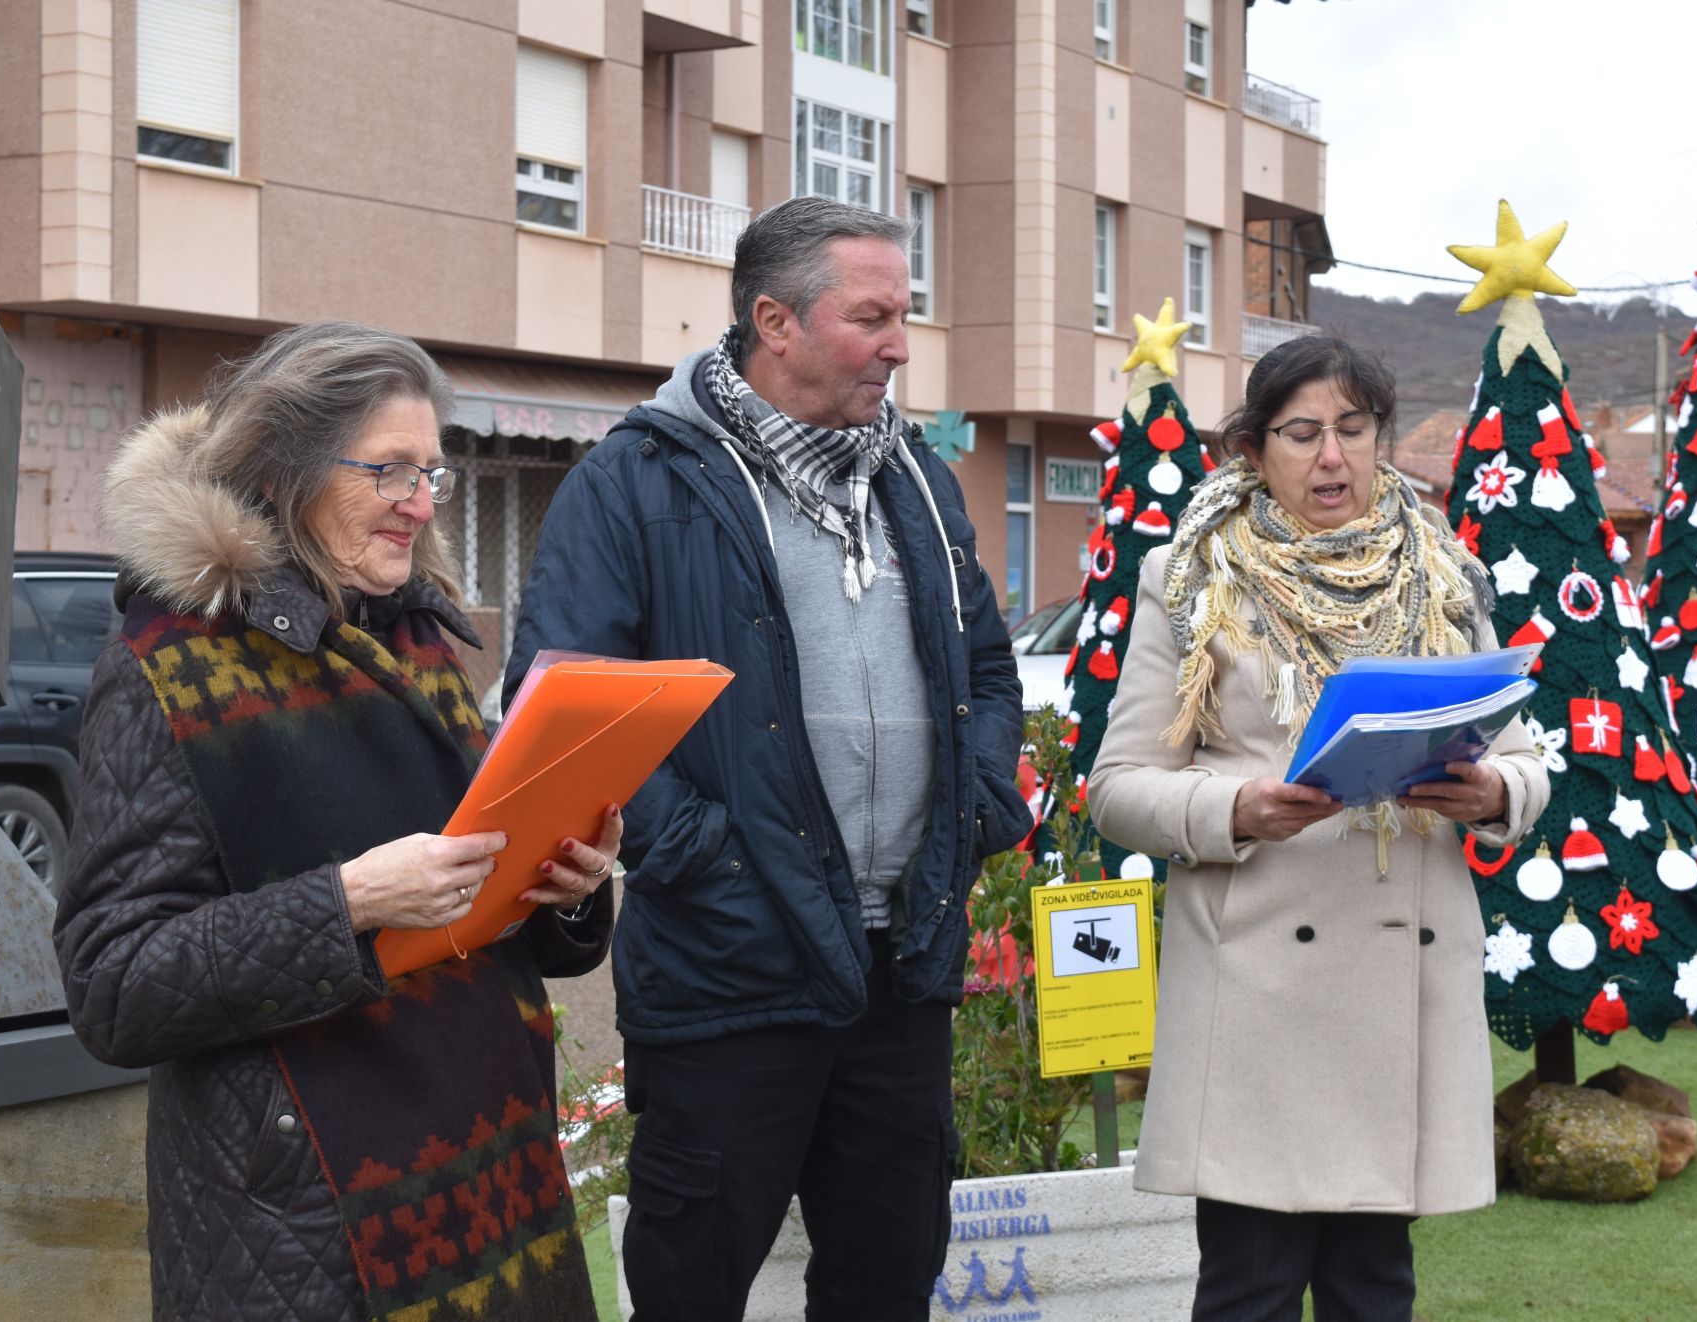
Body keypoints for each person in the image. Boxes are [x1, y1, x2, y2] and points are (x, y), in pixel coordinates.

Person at [506, 195, 1030, 1320]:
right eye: (873, 315)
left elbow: (990, 673)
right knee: (691, 1295)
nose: (900, 344)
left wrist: (982, 798)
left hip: (904, 975)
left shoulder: (920, 484)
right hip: (729, 977)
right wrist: (717, 858)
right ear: (773, 321)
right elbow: (560, 708)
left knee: (884, 1289)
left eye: (907, 314)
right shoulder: (638, 480)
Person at [53, 322, 621, 1321]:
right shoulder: (160, 672)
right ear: (284, 472)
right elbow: (114, 986)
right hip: (311, 1213)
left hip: (486, 1181)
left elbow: (478, 900)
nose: (418, 502)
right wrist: (349, 900)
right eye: (388, 470)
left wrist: (565, 886)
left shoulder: (419, 638)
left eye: (431, 473)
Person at [1086, 335, 1549, 1322]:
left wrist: (1495, 794)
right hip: (1258, 994)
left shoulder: (1439, 571)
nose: (1331, 456)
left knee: (1374, 1289)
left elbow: (1526, 754)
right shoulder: (1190, 577)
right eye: (1302, 433)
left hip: (1399, 985)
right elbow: (1118, 787)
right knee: (1249, 1287)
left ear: (1381, 439)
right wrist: (1235, 808)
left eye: (1353, 428)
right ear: (1253, 450)